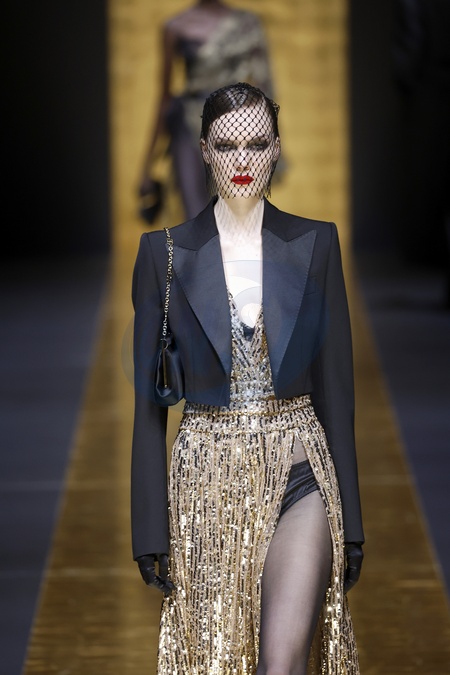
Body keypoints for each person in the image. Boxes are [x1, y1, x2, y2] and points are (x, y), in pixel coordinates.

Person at [131, 83, 364, 674]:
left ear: (277, 150)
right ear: (204, 151)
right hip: (206, 484)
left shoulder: (316, 244)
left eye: (257, 145)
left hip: (301, 473)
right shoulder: (163, 255)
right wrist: (149, 529)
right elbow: (148, 406)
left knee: (280, 665)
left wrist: (353, 525)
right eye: (227, 146)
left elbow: (336, 390)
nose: (242, 160)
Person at [139, 0, 276, 221]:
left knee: (234, 216)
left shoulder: (247, 24)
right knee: (195, 214)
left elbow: (265, 89)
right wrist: (147, 166)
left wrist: (265, 145)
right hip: (188, 128)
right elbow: (164, 98)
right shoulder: (175, 27)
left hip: (236, 128)